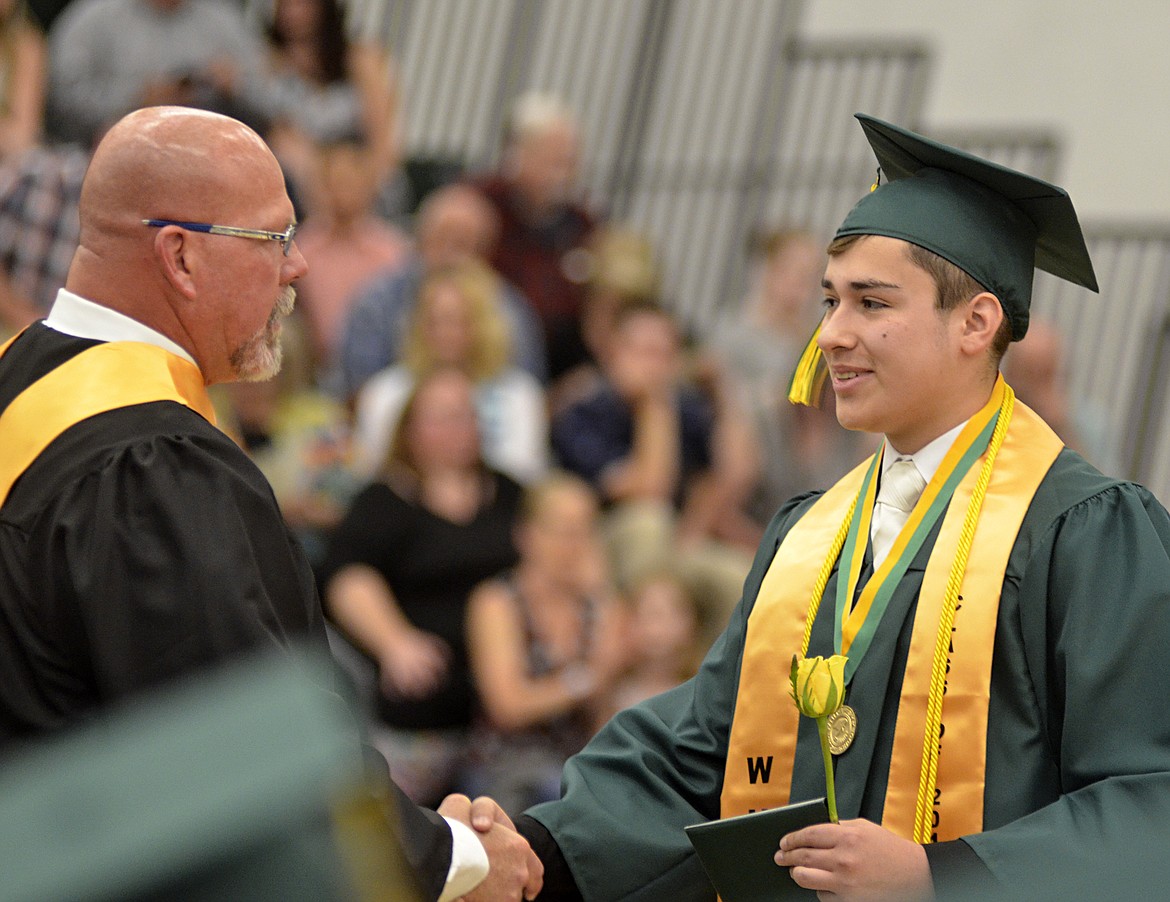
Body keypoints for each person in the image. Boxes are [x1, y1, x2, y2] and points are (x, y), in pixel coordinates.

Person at [516, 114, 1170, 901]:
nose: (830, 334)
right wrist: (534, 851)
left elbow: (1148, 799)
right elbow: (703, 749)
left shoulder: (1085, 533)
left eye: (871, 303)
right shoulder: (810, 533)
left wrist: (942, 877)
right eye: (830, 301)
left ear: (976, 321)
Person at [0, 106, 540, 902]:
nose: (298, 268)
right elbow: (240, 761)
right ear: (179, 256)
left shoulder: (23, 380)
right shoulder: (151, 466)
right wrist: (454, 860)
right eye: (273, 239)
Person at [321, 366, 525, 809]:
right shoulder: (386, 501)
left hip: (506, 716)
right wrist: (395, 641)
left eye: (466, 415)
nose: (459, 427)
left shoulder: (510, 494)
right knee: (390, 826)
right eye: (443, 416)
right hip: (423, 716)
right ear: (410, 430)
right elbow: (347, 576)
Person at [463, 472, 629, 815]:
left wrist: (602, 598)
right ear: (527, 535)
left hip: (580, 761)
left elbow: (605, 703)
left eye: (586, 529)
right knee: (564, 795)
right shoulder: (496, 602)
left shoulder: (601, 603)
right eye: (564, 530)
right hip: (507, 763)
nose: (576, 543)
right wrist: (584, 680)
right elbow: (508, 707)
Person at [332, 182, 546, 400]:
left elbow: (528, 384)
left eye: (464, 244)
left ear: (486, 254)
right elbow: (357, 389)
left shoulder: (510, 313)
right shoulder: (377, 303)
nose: (450, 254)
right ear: (420, 240)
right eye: (442, 239)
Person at [351, 259, 549, 484]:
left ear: (484, 326)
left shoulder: (519, 394)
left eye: (459, 320)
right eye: (436, 320)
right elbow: (372, 474)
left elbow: (524, 475)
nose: (446, 332)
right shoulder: (386, 392)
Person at [470, 92, 599, 381]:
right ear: (514, 155)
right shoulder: (479, 209)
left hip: (563, 364)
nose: (562, 174)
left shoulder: (582, 223)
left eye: (570, 161)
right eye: (552, 160)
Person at [45, 0, 265, 148]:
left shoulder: (224, 23)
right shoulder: (92, 19)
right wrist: (137, 98)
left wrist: (236, 87)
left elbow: (274, 95)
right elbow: (61, 98)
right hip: (115, 145)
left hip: (212, 147)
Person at [255, 0, 402, 218]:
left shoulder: (360, 57)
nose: (293, 12)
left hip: (362, 176)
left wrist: (357, 187)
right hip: (295, 181)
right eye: (285, 4)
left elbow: (385, 142)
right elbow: (276, 131)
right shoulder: (269, 60)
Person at [292, 135, 411, 372]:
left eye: (350, 183)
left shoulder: (394, 252)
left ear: (369, 186)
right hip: (311, 370)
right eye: (334, 182)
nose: (342, 192)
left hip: (377, 369)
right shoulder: (300, 247)